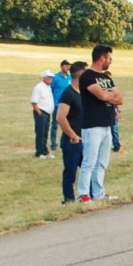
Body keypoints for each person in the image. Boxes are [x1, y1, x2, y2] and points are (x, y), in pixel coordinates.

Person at [79, 44, 123, 202]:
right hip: (92, 125)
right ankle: (83, 194)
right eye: (109, 58)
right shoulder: (88, 76)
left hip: (107, 124)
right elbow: (103, 96)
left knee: (102, 162)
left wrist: (108, 95)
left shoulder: (105, 78)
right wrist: (108, 95)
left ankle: (98, 193)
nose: (111, 61)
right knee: (89, 162)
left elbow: (119, 98)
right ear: (102, 58)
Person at [57, 62, 86, 203]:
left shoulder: (84, 93)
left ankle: (88, 195)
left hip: (85, 138)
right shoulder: (68, 93)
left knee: (88, 170)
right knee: (70, 172)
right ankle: (68, 200)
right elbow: (60, 117)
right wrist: (72, 135)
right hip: (72, 141)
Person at [31, 70, 55, 158]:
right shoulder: (38, 87)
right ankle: (39, 152)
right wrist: (39, 113)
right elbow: (34, 102)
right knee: (40, 132)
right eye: (49, 77)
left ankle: (45, 150)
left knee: (45, 132)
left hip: (47, 113)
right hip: (41, 112)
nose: (51, 79)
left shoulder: (48, 87)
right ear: (44, 78)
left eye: (51, 77)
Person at [49, 60, 72, 151]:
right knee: (55, 124)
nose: (68, 68)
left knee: (68, 124)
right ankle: (53, 143)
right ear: (61, 66)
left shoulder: (70, 77)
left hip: (69, 104)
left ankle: (66, 141)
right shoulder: (55, 78)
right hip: (57, 104)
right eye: (66, 66)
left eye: (69, 66)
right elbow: (50, 90)